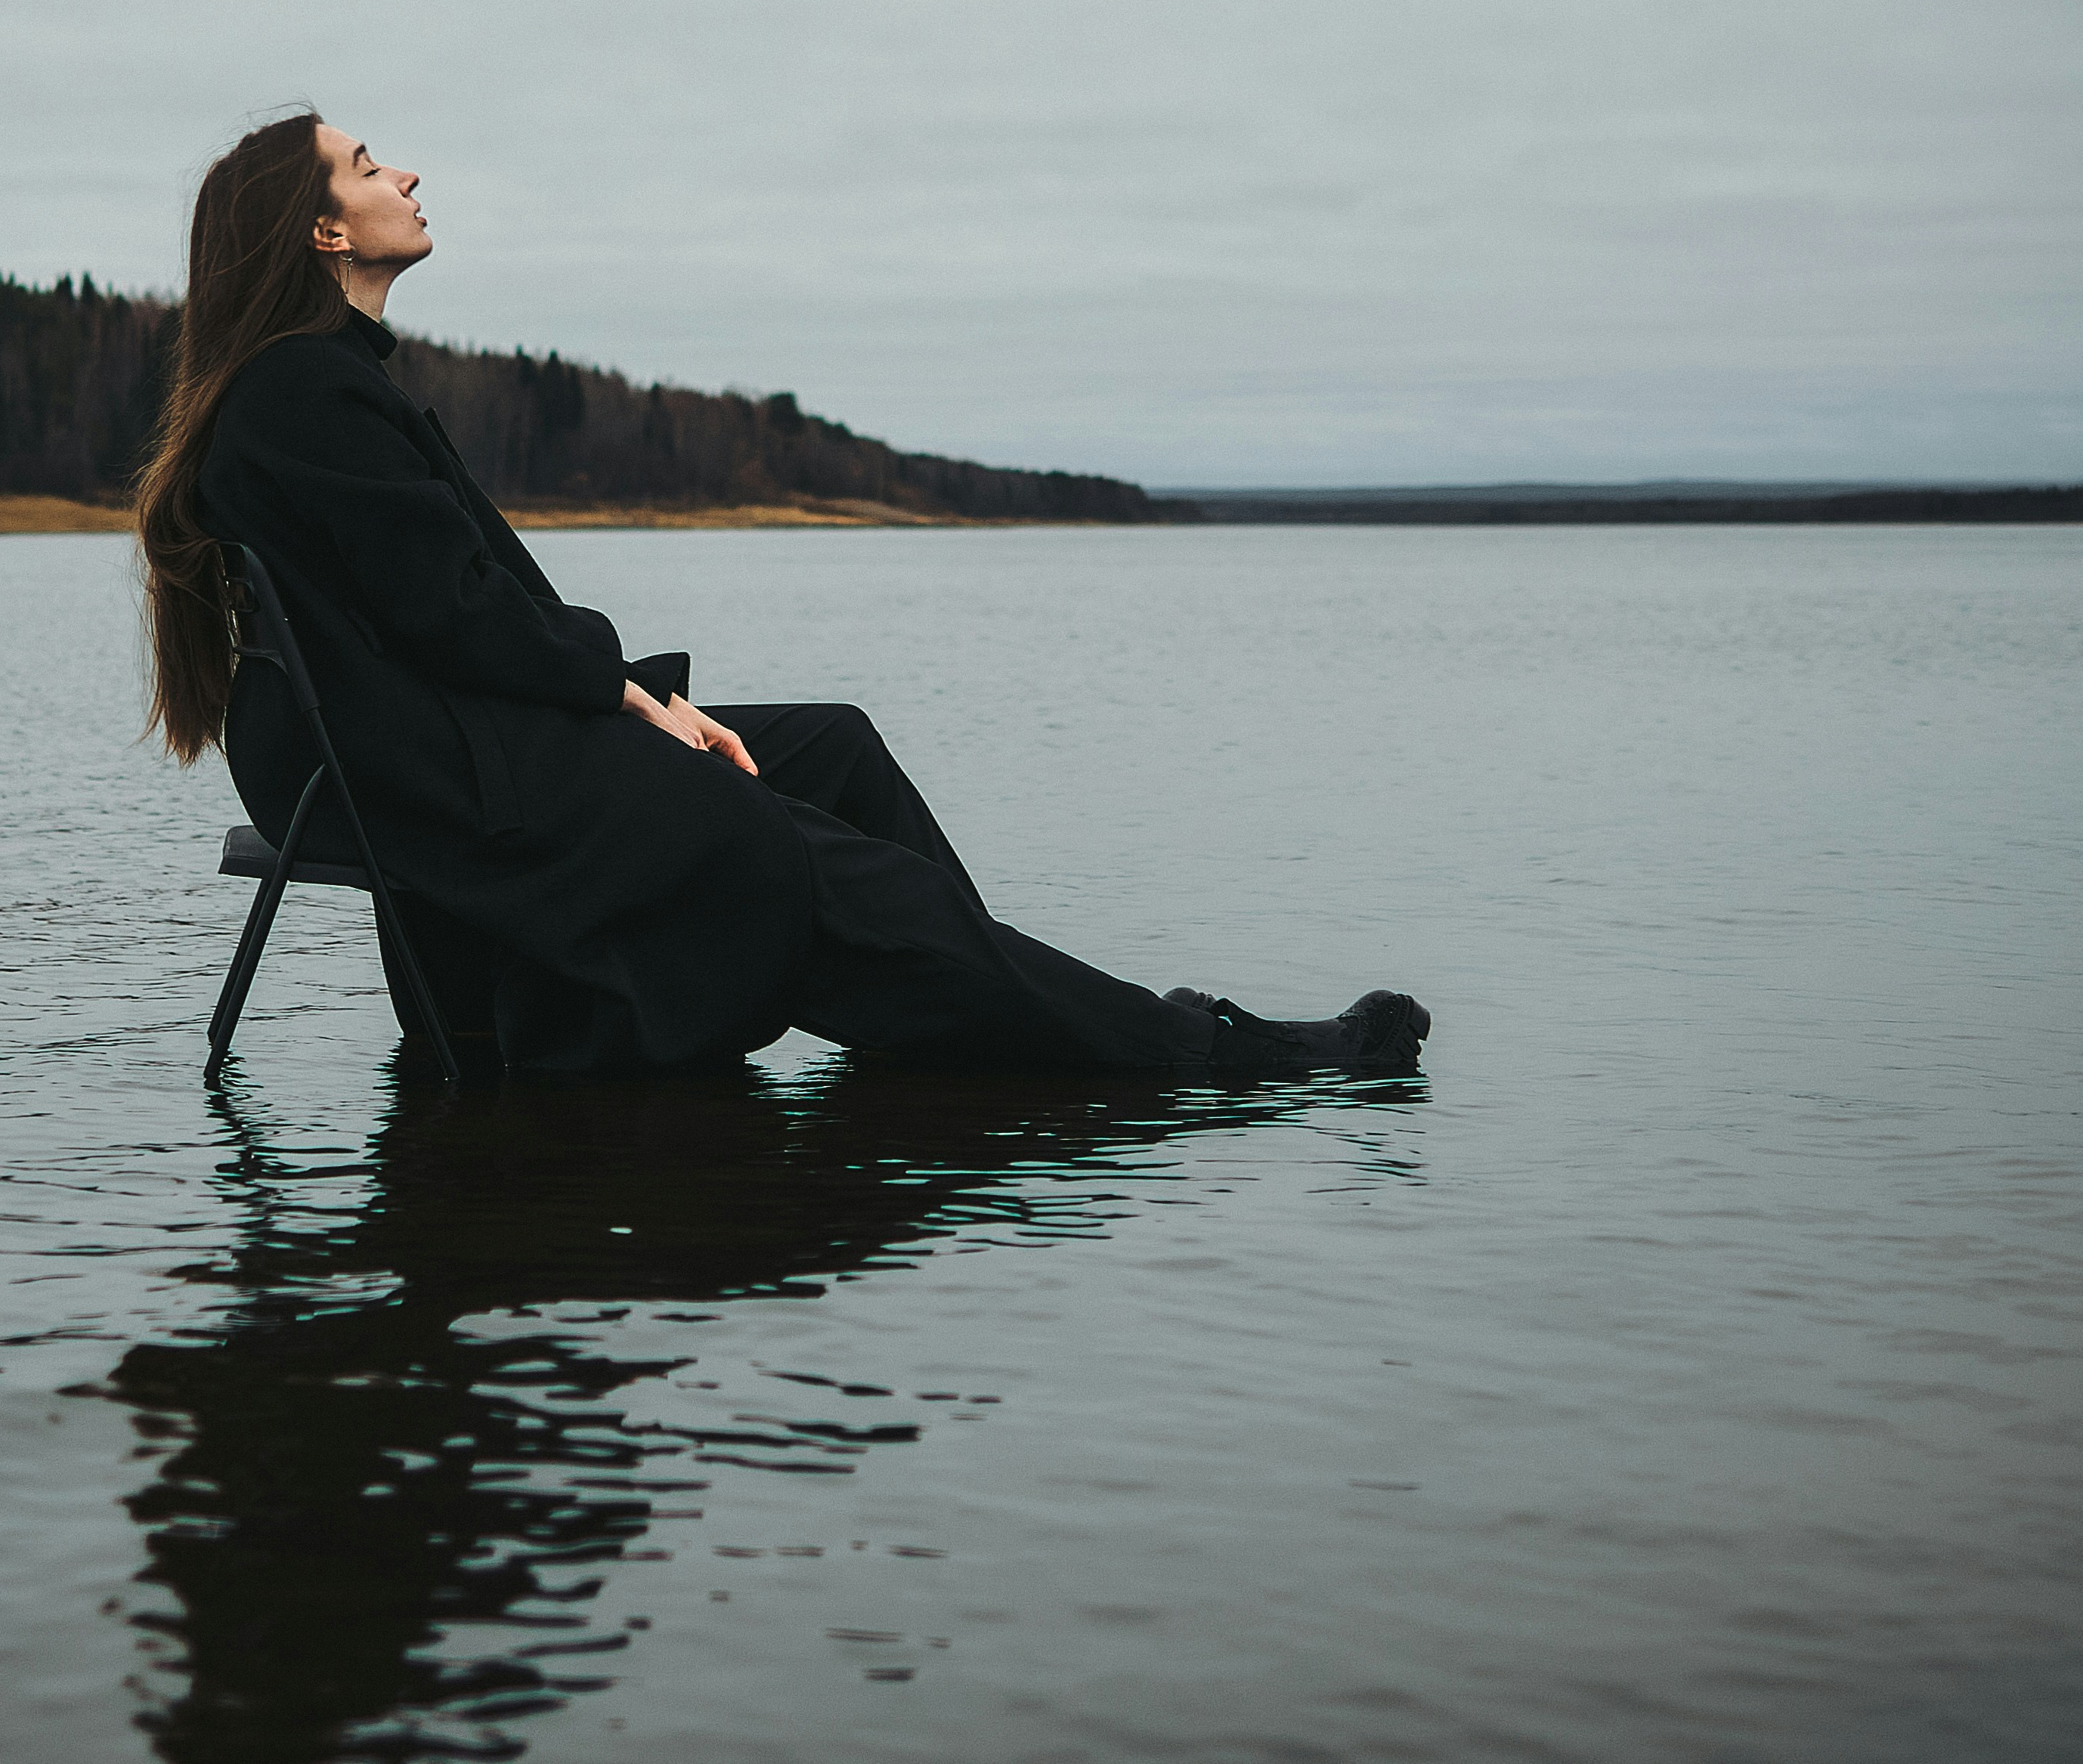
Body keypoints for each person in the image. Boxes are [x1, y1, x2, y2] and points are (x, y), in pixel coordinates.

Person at [134, 110, 1429, 1080]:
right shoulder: (304, 389)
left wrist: (626, 695)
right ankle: (1203, 1054)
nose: (402, 174)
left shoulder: (322, 380)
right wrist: (632, 703)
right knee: (803, 852)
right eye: (366, 168)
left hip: (439, 735)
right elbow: (451, 612)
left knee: (832, 749)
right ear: (320, 230)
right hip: (425, 766)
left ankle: (969, 1022)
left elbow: (446, 608)